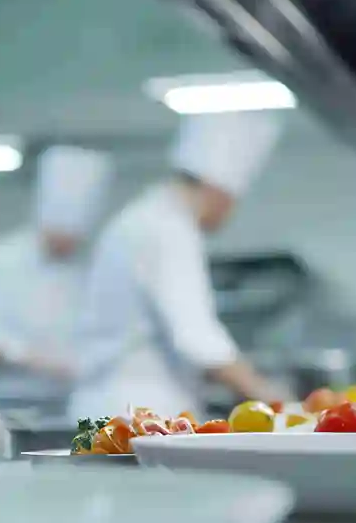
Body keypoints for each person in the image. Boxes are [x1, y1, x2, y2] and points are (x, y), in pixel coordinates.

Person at [69, 111, 291, 420]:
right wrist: (272, 397)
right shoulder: (168, 230)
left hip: (114, 406)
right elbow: (198, 338)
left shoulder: (142, 218)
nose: (230, 213)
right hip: (138, 412)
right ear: (217, 189)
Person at [0, 146, 114, 395]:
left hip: (71, 400)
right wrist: (35, 359)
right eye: (62, 235)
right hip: (13, 399)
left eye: (75, 238)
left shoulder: (87, 266)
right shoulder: (5, 262)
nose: (69, 246)